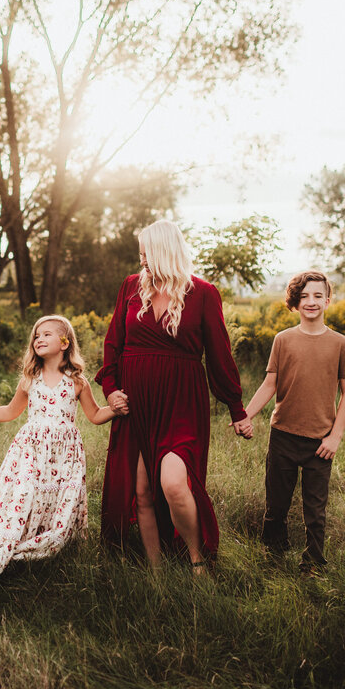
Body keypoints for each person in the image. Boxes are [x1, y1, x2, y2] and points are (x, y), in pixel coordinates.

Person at [97, 219, 253, 572]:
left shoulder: (203, 293)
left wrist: (236, 408)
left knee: (173, 483)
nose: (141, 263)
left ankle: (198, 562)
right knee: (141, 492)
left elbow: (219, 355)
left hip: (180, 403)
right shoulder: (130, 288)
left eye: (146, 254)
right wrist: (110, 390)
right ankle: (156, 572)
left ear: (164, 252)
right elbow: (113, 344)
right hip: (135, 405)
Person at [0, 315, 119, 586]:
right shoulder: (31, 379)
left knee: (59, 499)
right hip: (31, 452)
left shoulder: (77, 382)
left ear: (65, 343)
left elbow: (94, 415)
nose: (38, 339)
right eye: (36, 336)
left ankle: (52, 550)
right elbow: (11, 411)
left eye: (46, 335)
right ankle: (13, 545)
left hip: (65, 456)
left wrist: (116, 409)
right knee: (26, 495)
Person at [244, 271, 345, 572]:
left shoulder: (340, 343)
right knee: (276, 507)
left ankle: (314, 564)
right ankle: (273, 558)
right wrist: (246, 414)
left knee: (315, 511)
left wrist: (335, 437)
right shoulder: (283, 340)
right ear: (296, 301)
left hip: (321, 441)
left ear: (328, 301)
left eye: (318, 296)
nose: (311, 301)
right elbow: (269, 385)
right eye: (304, 296)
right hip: (283, 436)